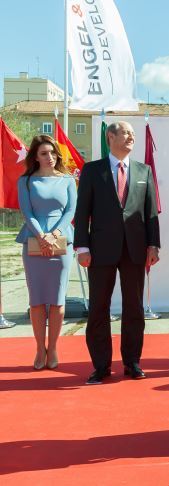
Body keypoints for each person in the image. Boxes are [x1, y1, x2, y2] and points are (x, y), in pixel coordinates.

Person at [74, 121, 161, 385]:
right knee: (99, 307)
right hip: (100, 251)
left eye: (134, 134)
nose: (131, 137)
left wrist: (153, 245)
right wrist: (82, 246)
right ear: (110, 137)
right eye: (126, 133)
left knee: (134, 308)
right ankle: (101, 366)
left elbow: (151, 213)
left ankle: (132, 362)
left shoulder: (143, 170)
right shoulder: (92, 170)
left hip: (135, 250)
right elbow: (82, 211)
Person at [15, 135, 77, 370]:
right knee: (38, 301)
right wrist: (41, 235)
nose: (49, 157)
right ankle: (40, 350)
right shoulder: (26, 181)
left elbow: (71, 210)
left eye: (52, 152)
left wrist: (54, 234)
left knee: (57, 300)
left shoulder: (68, 180)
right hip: (33, 240)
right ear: (35, 156)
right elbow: (27, 211)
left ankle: (53, 349)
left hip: (61, 243)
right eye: (43, 153)